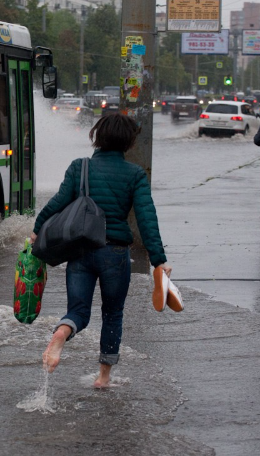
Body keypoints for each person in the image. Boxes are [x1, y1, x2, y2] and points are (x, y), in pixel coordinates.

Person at [29, 113, 172, 388]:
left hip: (80, 251)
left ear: (97, 136)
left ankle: (62, 332)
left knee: (79, 311)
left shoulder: (79, 167)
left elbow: (57, 203)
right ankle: (104, 377)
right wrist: (159, 259)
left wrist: (36, 230)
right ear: (128, 142)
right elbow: (146, 217)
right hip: (115, 254)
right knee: (112, 313)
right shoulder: (135, 174)